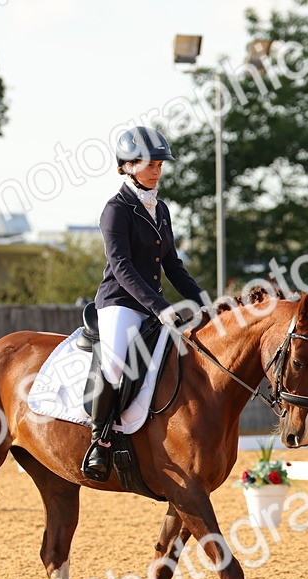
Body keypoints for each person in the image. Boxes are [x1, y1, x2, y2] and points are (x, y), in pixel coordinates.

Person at [82, 126, 208, 483]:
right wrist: (158, 306)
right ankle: (100, 441)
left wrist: (206, 303)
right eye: (150, 164)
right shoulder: (115, 210)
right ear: (127, 166)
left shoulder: (161, 209)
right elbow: (121, 267)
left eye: (159, 164)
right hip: (119, 302)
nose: (157, 170)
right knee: (117, 365)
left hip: (151, 304)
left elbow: (173, 265)